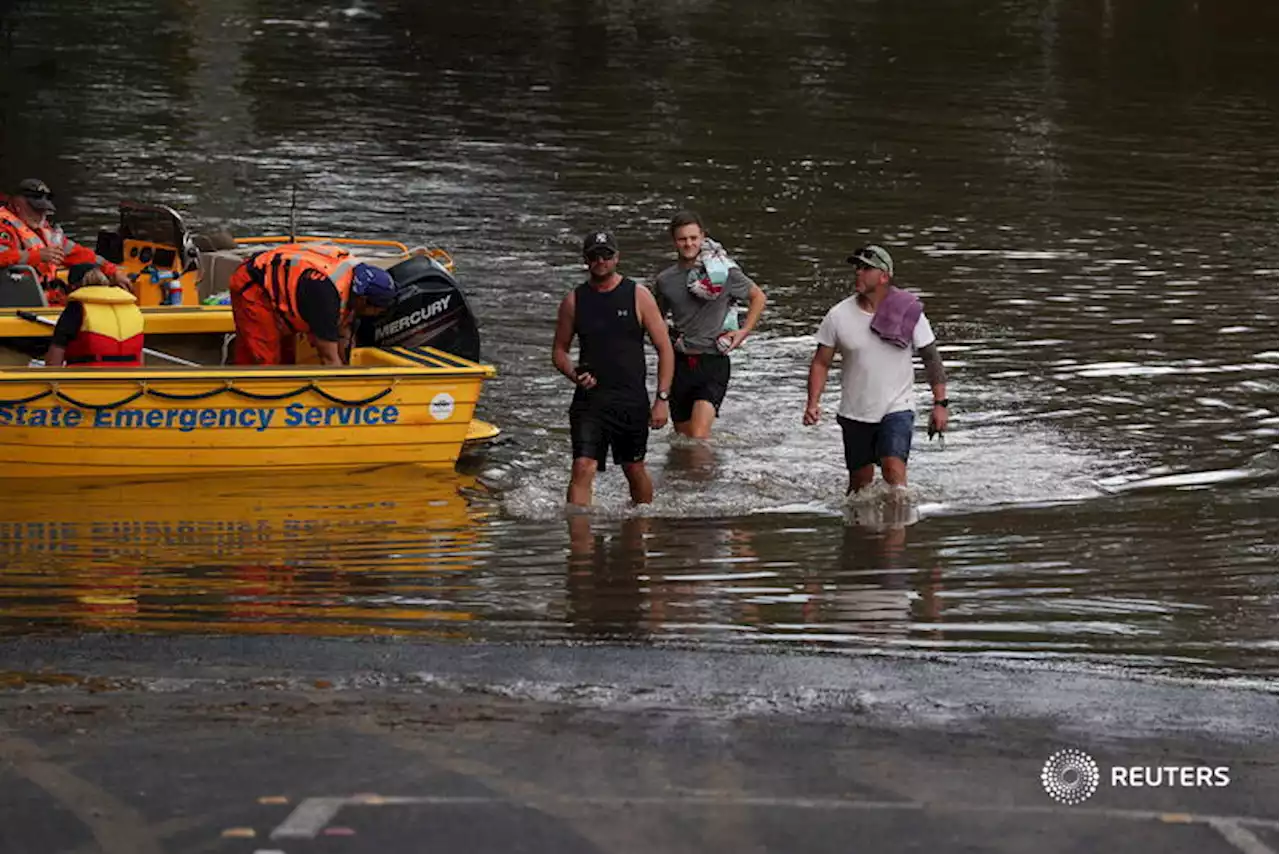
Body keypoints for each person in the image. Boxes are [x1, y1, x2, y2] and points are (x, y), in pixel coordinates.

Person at [803, 244, 949, 494]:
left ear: (884, 276)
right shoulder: (838, 316)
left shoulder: (908, 312)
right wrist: (813, 403)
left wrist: (940, 404)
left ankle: (897, 526)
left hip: (897, 408)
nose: (858, 273)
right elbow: (821, 362)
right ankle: (861, 532)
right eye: (857, 268)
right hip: (855, 411)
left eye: (866, 268)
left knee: (894, 474)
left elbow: (931, 358)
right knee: (860, 487)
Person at [552, 230, 674, 506]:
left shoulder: (638, 295)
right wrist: (574, 374)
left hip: (630, 400)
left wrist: (662, 399)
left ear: (617, 257)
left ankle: (641, 528)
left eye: (606, 255)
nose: (600, 261)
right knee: (583, 466)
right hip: (589, 401)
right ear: (586, 260)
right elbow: (559, 351)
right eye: (594, 256)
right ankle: (580, 542)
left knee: (633, 468)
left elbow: (665, 348)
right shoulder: (574, 301)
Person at [652, 211, 766, 439]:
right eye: (683, 239)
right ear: (674, 241)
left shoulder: (724, 273)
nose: (689, 244)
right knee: (682, 440)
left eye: (693, 238)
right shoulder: (665, 281)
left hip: (713, 361)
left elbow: (758, 297)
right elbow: (657, 319)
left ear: (702, 237)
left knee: (698, 435)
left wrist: (743, 331)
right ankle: (700, 473)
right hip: (679, 364)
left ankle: (706, 470)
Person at [228, 242, 397, 366]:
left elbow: (343, 337)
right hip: (254, 284)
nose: (375, 316)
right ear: (364, 300)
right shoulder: (326, 296)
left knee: (287, 359)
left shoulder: (354, 282)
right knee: (264, 358)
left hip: (288, 285)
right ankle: (254, 401)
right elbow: (329, 358)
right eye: (376, 311)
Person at [0, 179, 130, 304]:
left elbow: (79, 253)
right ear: (18, 206)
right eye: (37, 210)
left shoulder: (44, 230)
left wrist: (112, 271)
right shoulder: (4, 227)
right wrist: (36, 256)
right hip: (16, 299)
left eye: (44, 210)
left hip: (46, 298)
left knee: (86, 272)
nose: (42, 215)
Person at [43, 266, 144, 368]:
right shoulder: (131, 306)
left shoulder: (76, 307)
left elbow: (54, 358)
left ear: (73, 287)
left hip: (90, 380)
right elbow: (140, 355)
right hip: (131, 378)